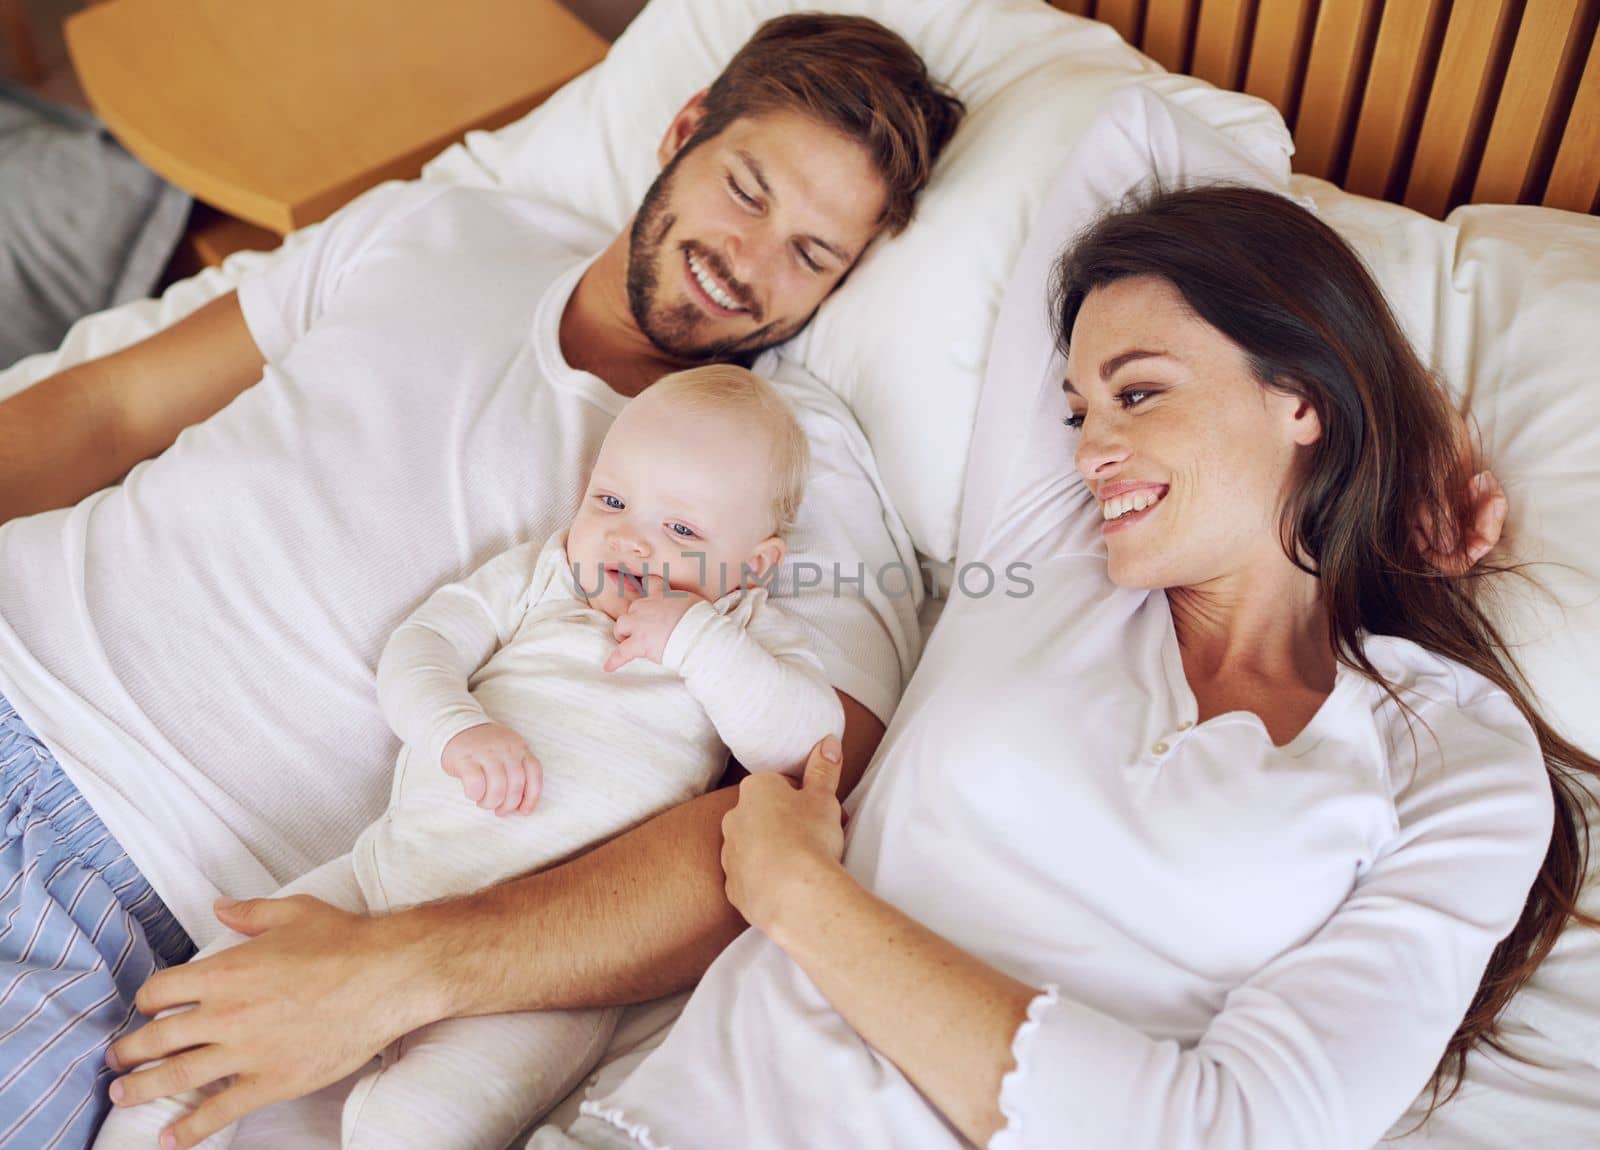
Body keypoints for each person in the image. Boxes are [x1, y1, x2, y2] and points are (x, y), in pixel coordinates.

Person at [525, 88, 1592, 1150]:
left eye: (1138, 394)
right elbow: (1127, 130)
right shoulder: (1049, 551)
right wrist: (1410, 403)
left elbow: (1236, 1133)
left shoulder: (1459, 758)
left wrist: (800, 895)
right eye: (1077, 409)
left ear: (1299, 397)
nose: (1086, 449)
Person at [0, 14, 964, 1149]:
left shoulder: (788, 471)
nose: (746, 261)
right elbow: (106, 409)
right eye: (747, 190)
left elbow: (796, 812)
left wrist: (405, 973)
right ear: (683, 129)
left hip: (122, 879)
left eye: (812, 254)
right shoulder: (445, 223)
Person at [95, 365, 845, 1150]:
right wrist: (456, 727)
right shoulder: (543, 574)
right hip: (383, 874)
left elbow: (803, 747)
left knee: (413, 1125)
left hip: (546, 976)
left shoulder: (746, 638)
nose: (632, 539)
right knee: (189, 1023)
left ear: (755, 566)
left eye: (683, 531)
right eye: (613, 502)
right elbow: (421, 647)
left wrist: (695, 639)